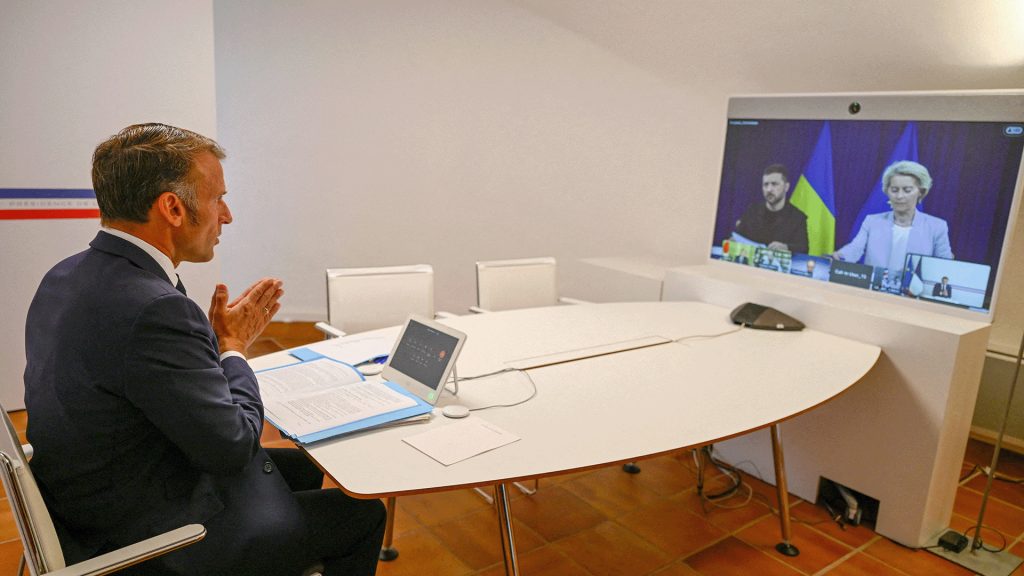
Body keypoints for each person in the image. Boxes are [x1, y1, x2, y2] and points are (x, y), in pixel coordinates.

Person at [23, 123, 385, 576]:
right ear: (173, 208)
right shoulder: (153, 307)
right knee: (362, 515)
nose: (227, 216)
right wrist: (233, 348)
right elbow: (234, 447)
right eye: (218, 199)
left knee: (302, 469)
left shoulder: (63, 275)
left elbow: (143, 376)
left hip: (86, 501)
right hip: (147, 538)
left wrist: (211, 345)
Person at [833, 160, 953, 273]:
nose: (899, 196)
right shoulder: (872, 221)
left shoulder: (937, 227)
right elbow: (855, 248)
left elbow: (944, 266)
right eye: (894, 190)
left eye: (907, 190)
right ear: (887, 191)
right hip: (874, 286)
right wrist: (840, 256)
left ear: (920, 192)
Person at [733, 164, 809, 254]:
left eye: (774, 184)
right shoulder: (752, 211)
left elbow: (803, 248)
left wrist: (786, 247)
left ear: (786, 187)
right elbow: (737, 237)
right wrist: (733, 241)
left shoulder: (798, 218)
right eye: (766, 185)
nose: (769, 189)